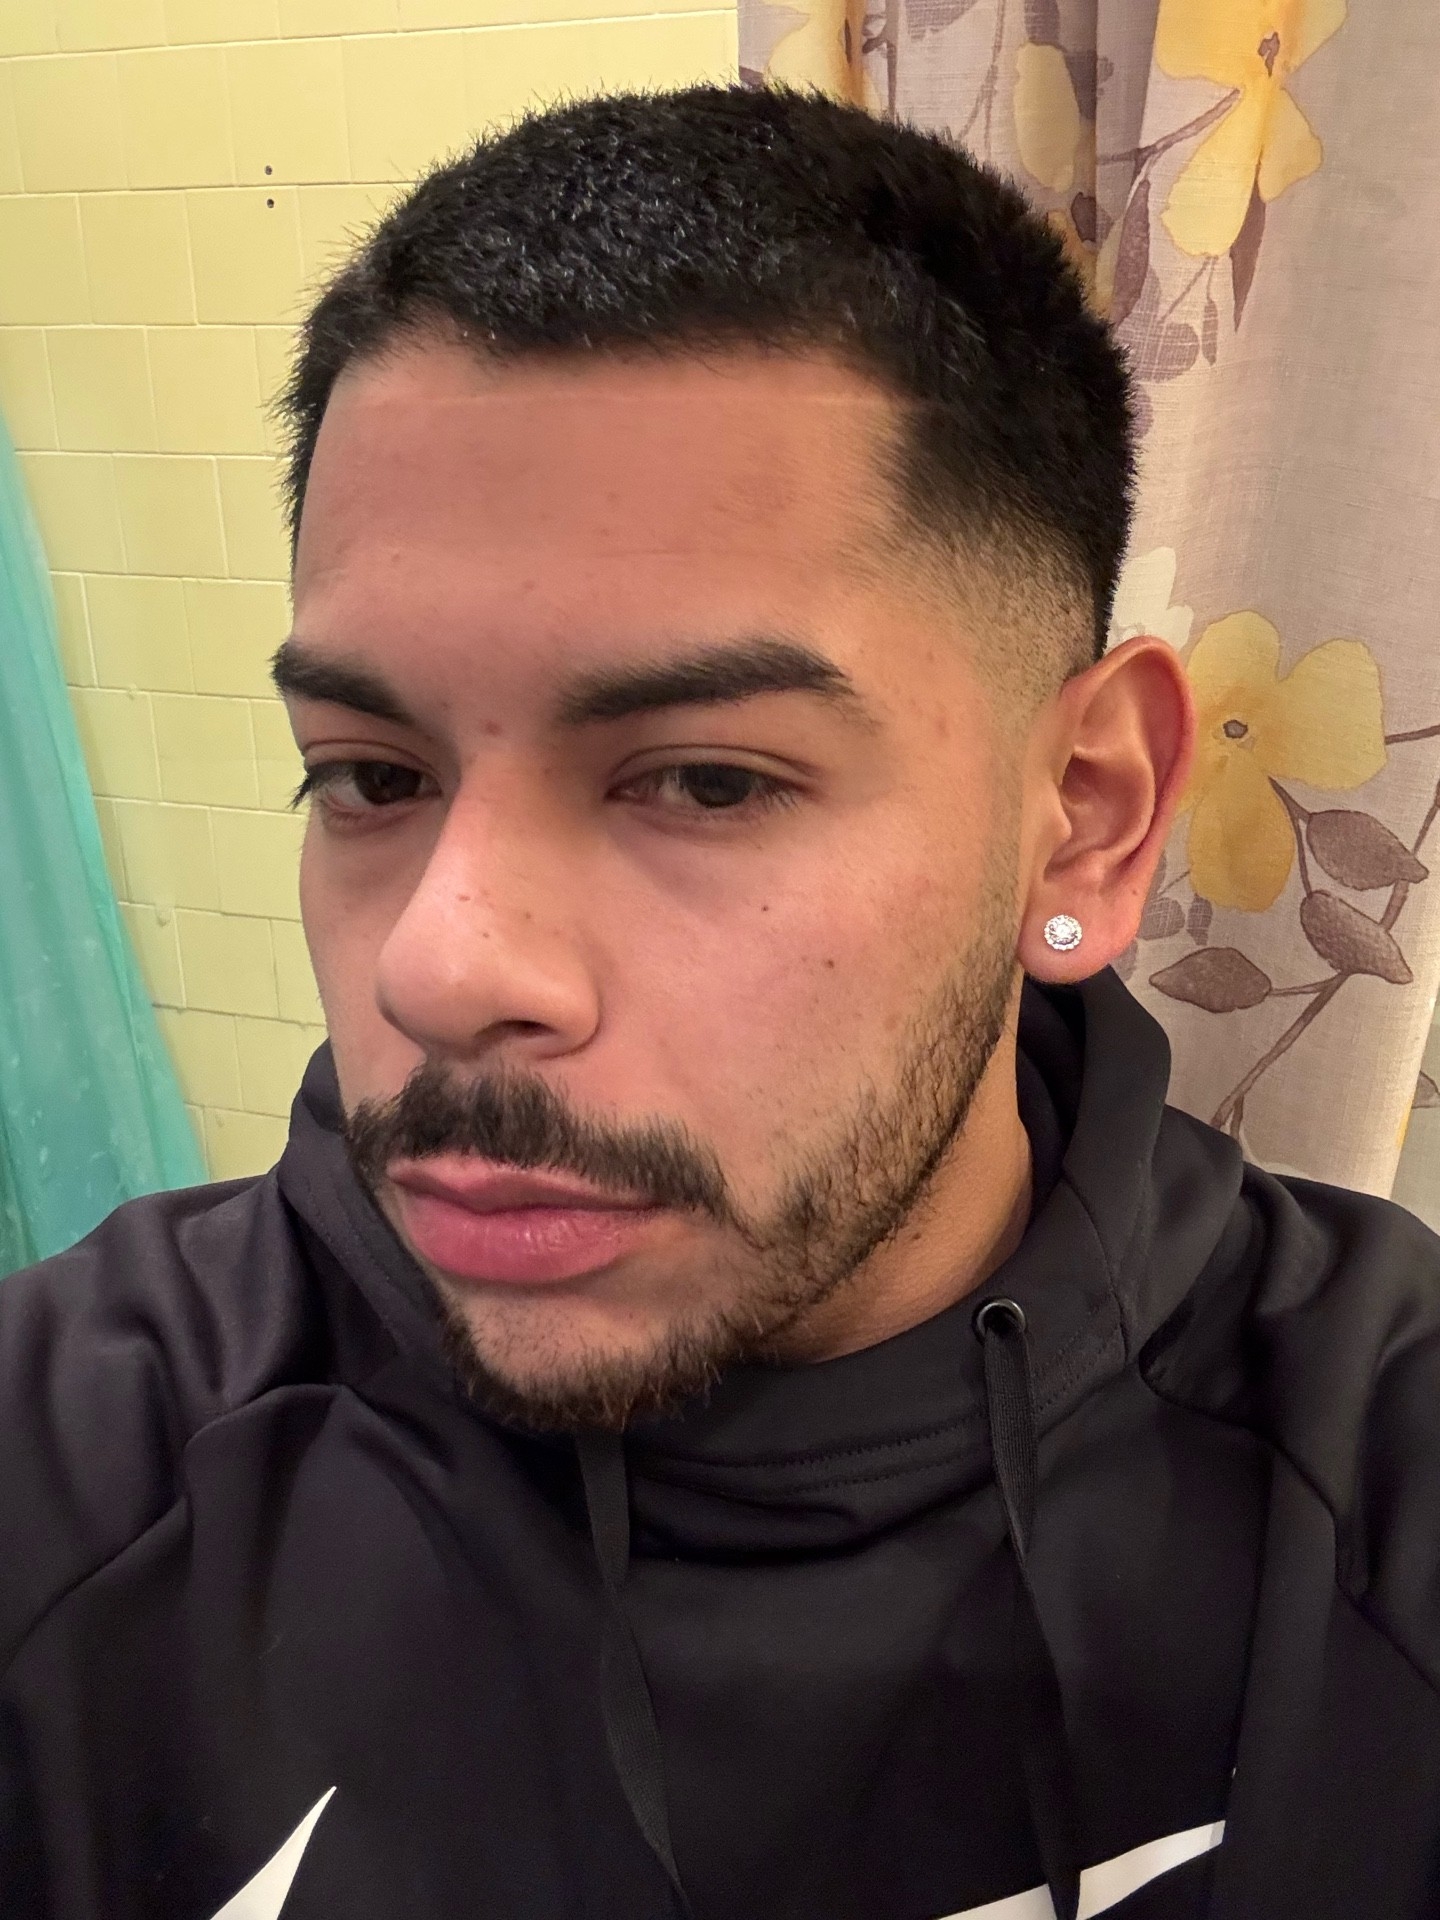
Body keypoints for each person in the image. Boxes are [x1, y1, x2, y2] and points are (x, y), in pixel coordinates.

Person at [3, 82, 1439, 1920]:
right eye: (371, 776)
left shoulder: (1378, 1498)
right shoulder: (74, 1466)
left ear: (1085, 815)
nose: (439, 968)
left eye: (703, 781)